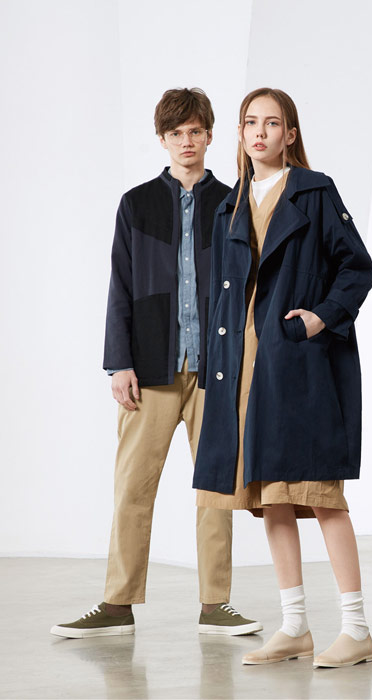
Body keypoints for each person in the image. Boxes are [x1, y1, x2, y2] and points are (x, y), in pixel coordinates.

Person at [51, 88, 261, 639]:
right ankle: (117, 603)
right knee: (132, 486)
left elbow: (251, 288)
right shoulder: (136, 203)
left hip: (217, 370)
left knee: (216, 490)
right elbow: (120, 286)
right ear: (162, 140)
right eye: (176, 134)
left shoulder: (235, 202)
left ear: (210, 135)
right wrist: (119, 363)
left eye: (195, 132)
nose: (186, 142)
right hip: (149, 370)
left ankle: (216, 604)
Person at [192, 87, 372, 668]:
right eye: (251, 122)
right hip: (245, 367)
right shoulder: (228, 206)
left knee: (321, 495)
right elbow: (220, 296)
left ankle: (357, 628)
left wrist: (322, 317)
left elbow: (358, 267)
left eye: (272, 123)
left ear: (290, 134)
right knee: (270, 496)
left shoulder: (314, 191)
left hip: (300, 361)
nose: (260, 132)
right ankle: (294, 626)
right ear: (240, 133)